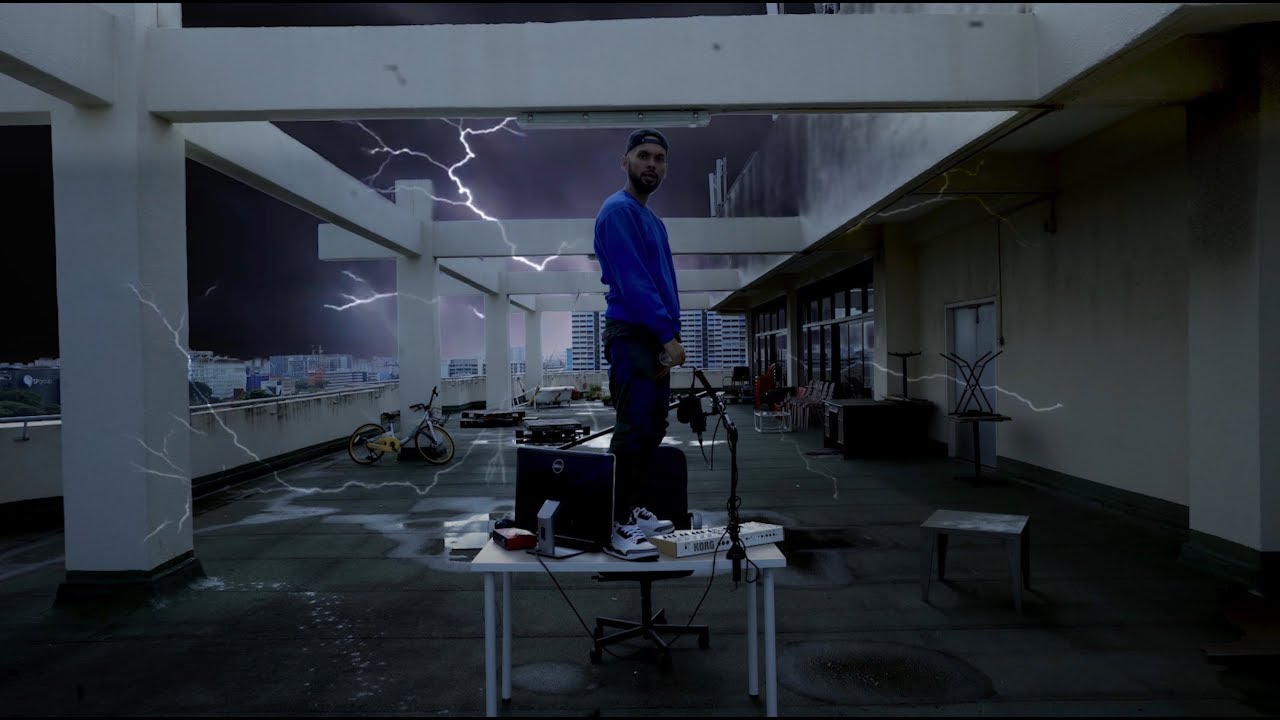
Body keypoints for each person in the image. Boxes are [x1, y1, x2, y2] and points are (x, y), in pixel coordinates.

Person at [594, 128, 686, 558]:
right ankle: (615, 522)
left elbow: (665, 283)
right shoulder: (618, 211)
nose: (652, 164)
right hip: (632, 335)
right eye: (643, 155)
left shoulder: (653, 220)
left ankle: (633, 508)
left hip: (654, 338)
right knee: (632, 431)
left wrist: (671, 336)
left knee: (653, 428)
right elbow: (633, 281)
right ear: (625, 161)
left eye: (659, 158)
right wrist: (665, 334)